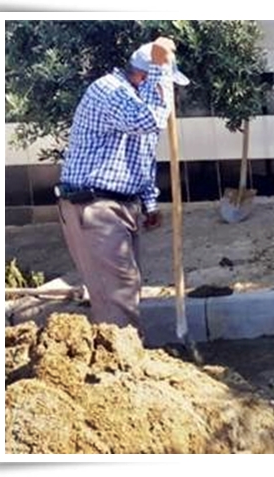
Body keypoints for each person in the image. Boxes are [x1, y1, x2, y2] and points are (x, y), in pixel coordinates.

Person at [54, 37, 190, 333]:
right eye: (165, 85)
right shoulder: (109, 90)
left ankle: (124, 361)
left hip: (120, 205)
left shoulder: (134, 100)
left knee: (126, 287)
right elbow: (148, 121)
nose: (170, 94)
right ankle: (121, 370)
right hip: (93, 206)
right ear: (143, 77)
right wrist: (160, 67)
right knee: (118, 293)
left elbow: (141, 157)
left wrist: (149, 203)